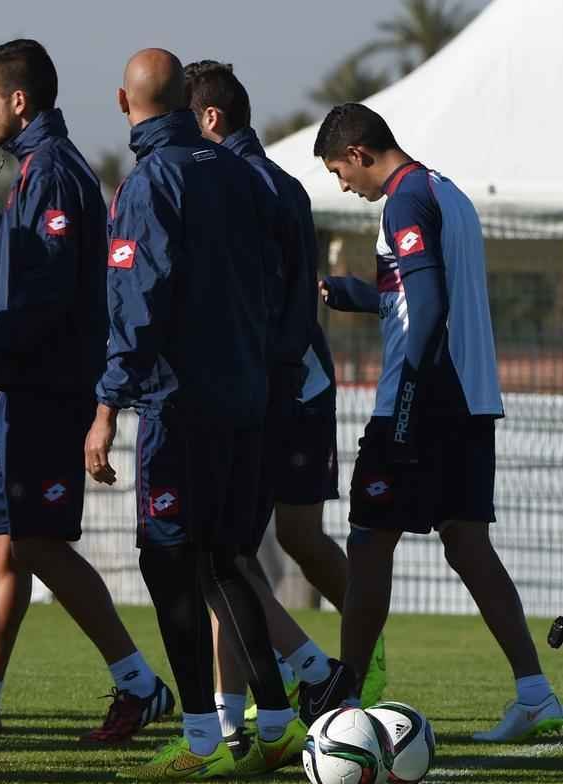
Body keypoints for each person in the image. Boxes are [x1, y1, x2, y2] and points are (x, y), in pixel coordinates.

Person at [0, 38, 171, 742]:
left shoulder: (53, 173)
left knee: (39, 544)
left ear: (19, 101)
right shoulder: (32, 170)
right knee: (1, 544)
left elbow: (48, 290)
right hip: (24, 389)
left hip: (48, 390)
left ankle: (138, 684)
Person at [305, 102, 563, 741]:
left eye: (341, 172)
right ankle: (536, 694)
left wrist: (407, 408)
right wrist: (357, 294)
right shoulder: (446, 191)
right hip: (472, 400)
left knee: (369, 539)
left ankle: (348, 700)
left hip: (423, 404)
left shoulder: (403, 201)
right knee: (467, 543)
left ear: (362, 154)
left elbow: (429, 305)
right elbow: (413, 296)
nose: (344, 186)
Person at [85, 48, 305, 781]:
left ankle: (201, 738)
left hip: (179, 405)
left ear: (124, 102)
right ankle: (274, 724)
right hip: (247, 399)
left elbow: (136, 305)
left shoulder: (151, 182)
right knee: (225, 558)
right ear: (185, 99)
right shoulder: (244, 176)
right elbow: (279, 290)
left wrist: (107, 405)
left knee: (167, 558)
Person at [182, 61, 386, 744]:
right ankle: (234, 709)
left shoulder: (253, 186)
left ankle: (344, 660)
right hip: (271, 384)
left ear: (209, 119)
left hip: (279, 387)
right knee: (237, 548)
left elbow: (281, 304)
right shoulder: (247, 182)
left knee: (241, 547)